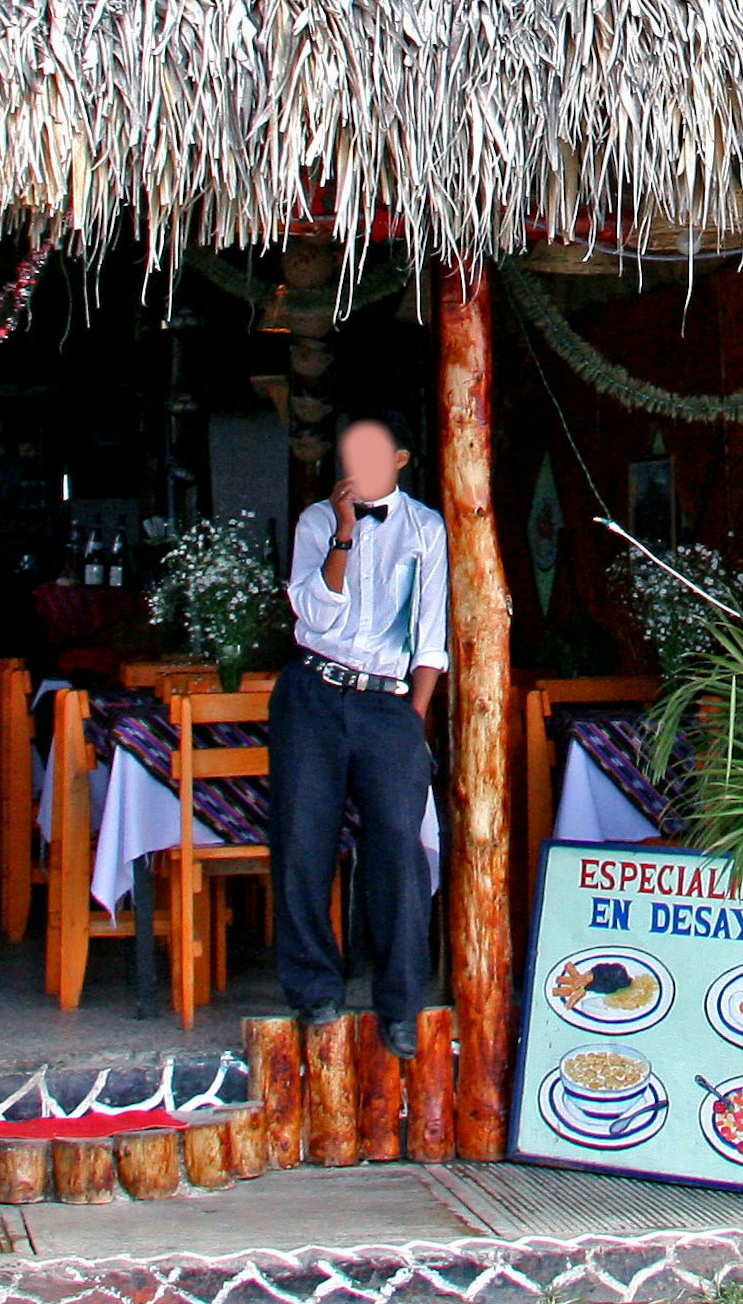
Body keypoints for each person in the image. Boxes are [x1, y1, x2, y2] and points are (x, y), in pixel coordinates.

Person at [274, 410, 449, 1056]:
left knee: (399, 846)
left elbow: (430, 639)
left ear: (401, 459)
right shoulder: (317, 522)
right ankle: (314, 989)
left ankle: (400, 1002)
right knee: (302, 837)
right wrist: (344, 535)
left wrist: (413, 718)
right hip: (313, 692)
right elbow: (315, 610)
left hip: (388, 703)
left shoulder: (426, 529)